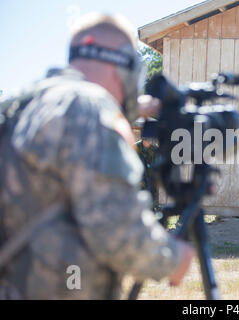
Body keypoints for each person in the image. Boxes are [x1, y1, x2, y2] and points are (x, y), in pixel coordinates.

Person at [0, 13, 193, 299]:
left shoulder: (22, 104)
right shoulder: (90, 109)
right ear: (124, 65)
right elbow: (116, 230)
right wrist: (175, 258)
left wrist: (141, 107)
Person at [136, 137, 160, 211]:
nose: (147, 142)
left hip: (151, 176)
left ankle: (152, 209)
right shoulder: (136, 147)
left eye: (149, 140)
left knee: (152, 193)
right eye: (145, 140)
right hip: (139, 176)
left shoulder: (155, 149)